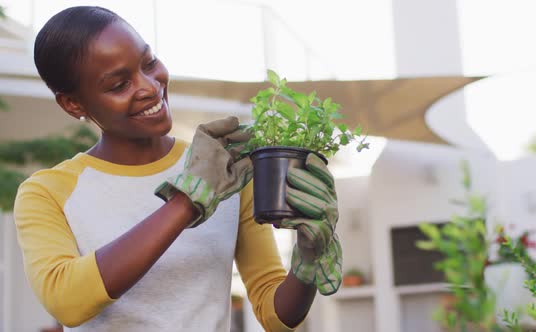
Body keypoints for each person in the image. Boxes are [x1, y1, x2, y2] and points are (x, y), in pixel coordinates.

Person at [13, 5, 342, 332]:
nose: (149, 86)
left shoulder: (225, 170)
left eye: (149, 62)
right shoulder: (47, 193)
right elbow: (67, 300)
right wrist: (187, 202)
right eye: (118, 85)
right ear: (74, 104)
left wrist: (307, 260)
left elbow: (274, 314)